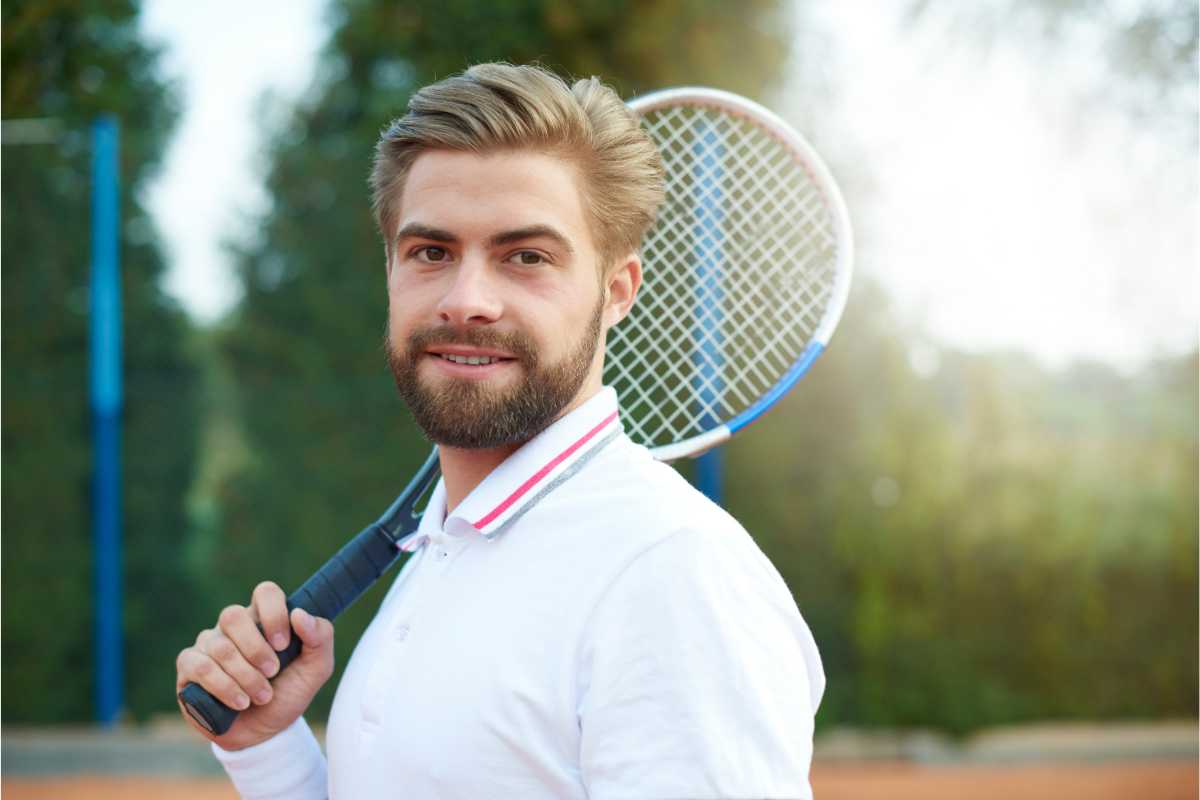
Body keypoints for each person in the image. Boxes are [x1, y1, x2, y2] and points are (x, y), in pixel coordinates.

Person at [175, 62, 825, 799]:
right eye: (432, 252)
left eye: (526, 257)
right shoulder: (443, 545)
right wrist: (267, 750)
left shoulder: (672, 577)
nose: (467, 299)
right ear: (390, 269)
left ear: (616, 292)